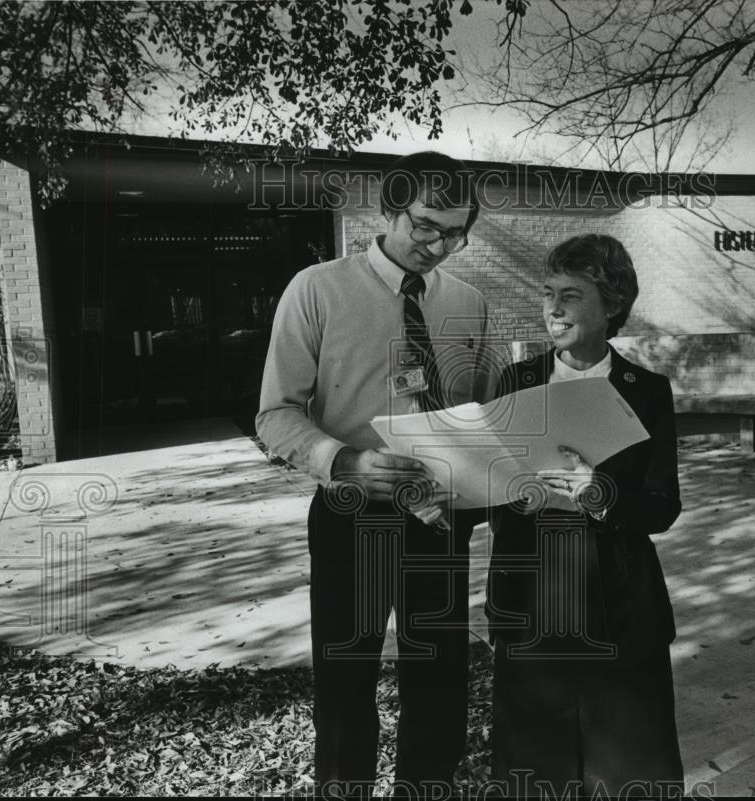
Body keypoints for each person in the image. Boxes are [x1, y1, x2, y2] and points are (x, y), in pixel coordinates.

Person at [256, 151, 495, 797]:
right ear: (390, 208)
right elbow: (274, 415)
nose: (438, 245)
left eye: (454, 232)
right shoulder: (316, 288)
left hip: (440, 517)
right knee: (345, 681)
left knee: (440, 676)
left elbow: (480, 413)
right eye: (424, 225)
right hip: (349, 514)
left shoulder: (469, 304)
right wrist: (346, 462)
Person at [485, 233, 685, 797]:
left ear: (612, 303)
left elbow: (662, 504)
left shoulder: (647, 391)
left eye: (570, 295)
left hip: (620, 605)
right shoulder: (516, 382)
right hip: (530, 598)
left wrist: (601, 494)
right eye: (547, 293)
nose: (552, 308)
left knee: (630, 772)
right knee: (534, 772)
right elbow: (491, 487)